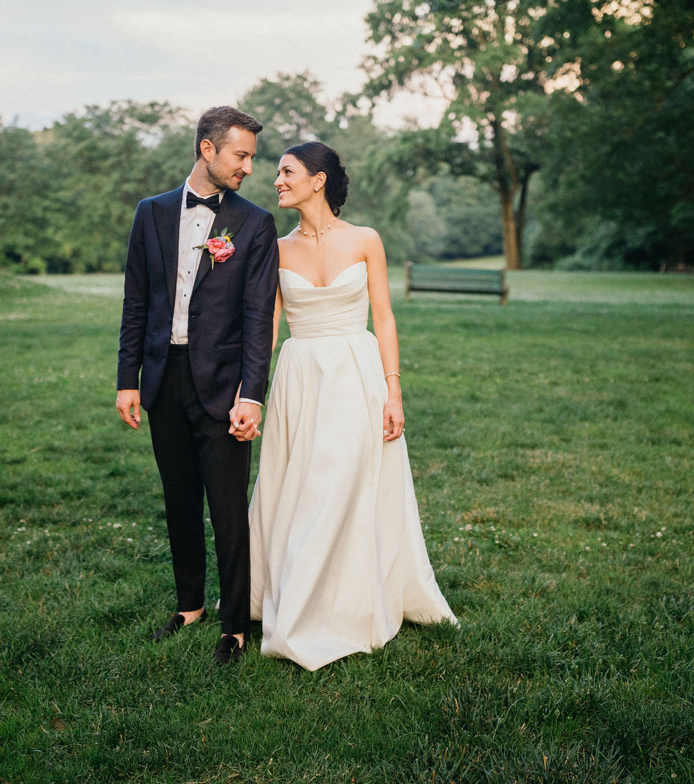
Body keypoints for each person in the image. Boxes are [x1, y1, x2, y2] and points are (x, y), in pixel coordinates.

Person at [248, 141, 456, 671]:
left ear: (318, 180)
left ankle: (342, 602)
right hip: (299, 378)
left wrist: (394, 391)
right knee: (301, 487)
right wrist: (250, 392)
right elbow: (268, 328)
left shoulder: (366, 240)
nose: (276, 180)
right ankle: (299, 596)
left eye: (286, 171)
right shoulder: (277, 248)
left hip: (355, 373)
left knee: (341, 483)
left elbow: (384, 318)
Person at [116, 106, 279, 666]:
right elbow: (136, 301)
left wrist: (251, 393)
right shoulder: (151, 213)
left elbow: (260, 318)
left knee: (228, 508)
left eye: (252, 157)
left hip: (224, 385)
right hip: (164, 378)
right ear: (207, 150)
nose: (249, 168)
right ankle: (189, 605)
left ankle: (234, 623)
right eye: (241, 155)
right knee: (178, 498)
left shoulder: (254, 223)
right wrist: (127, 380)